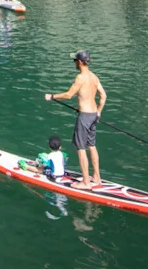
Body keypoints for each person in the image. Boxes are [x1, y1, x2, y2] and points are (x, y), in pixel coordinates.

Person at [45, 51, 106, 187]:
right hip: (93, 115)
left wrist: (53, 96)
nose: (74, 63)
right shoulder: (94, 77)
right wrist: (99, 113)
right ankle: (96, 177)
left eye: (74, 61)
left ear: (79, 62)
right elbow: (103, 97)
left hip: (84, 117)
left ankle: (86, 182)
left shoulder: (80, 78)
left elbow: (68, 95)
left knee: (81, 148)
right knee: (92, 145)